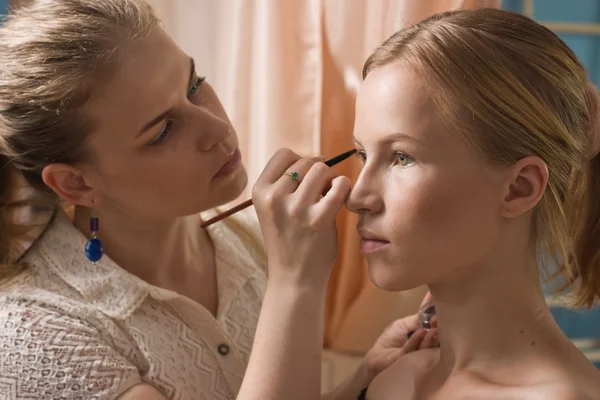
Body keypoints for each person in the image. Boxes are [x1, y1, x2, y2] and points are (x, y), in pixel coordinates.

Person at [0, 1, 439, 399]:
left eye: (194, 85)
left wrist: (365, 376)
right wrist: (296, 282)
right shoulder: (36, 337)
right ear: (75, 184)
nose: (215, 127)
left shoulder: (246, 243)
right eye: (162, 132)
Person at [249, 7, 600, 400]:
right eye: (363, 155)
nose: (358, 197)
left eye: (402, 157)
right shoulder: (391, 378)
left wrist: (295, 281)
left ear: (519, 188)